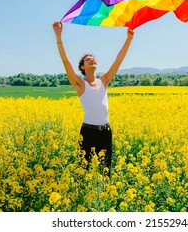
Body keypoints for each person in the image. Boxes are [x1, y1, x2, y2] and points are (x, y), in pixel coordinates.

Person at [52, 21, 134, 175]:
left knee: (105, 172)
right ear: (82, 67)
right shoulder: (80, 84)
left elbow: (118, 61)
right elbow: (65, 61)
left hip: (105, 132)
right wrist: (58, 35)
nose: (92, 60)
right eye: (88, 59)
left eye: (94, 59)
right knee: (83, 171)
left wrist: (128, 39)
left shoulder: (104, 80)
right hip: (87, 133)